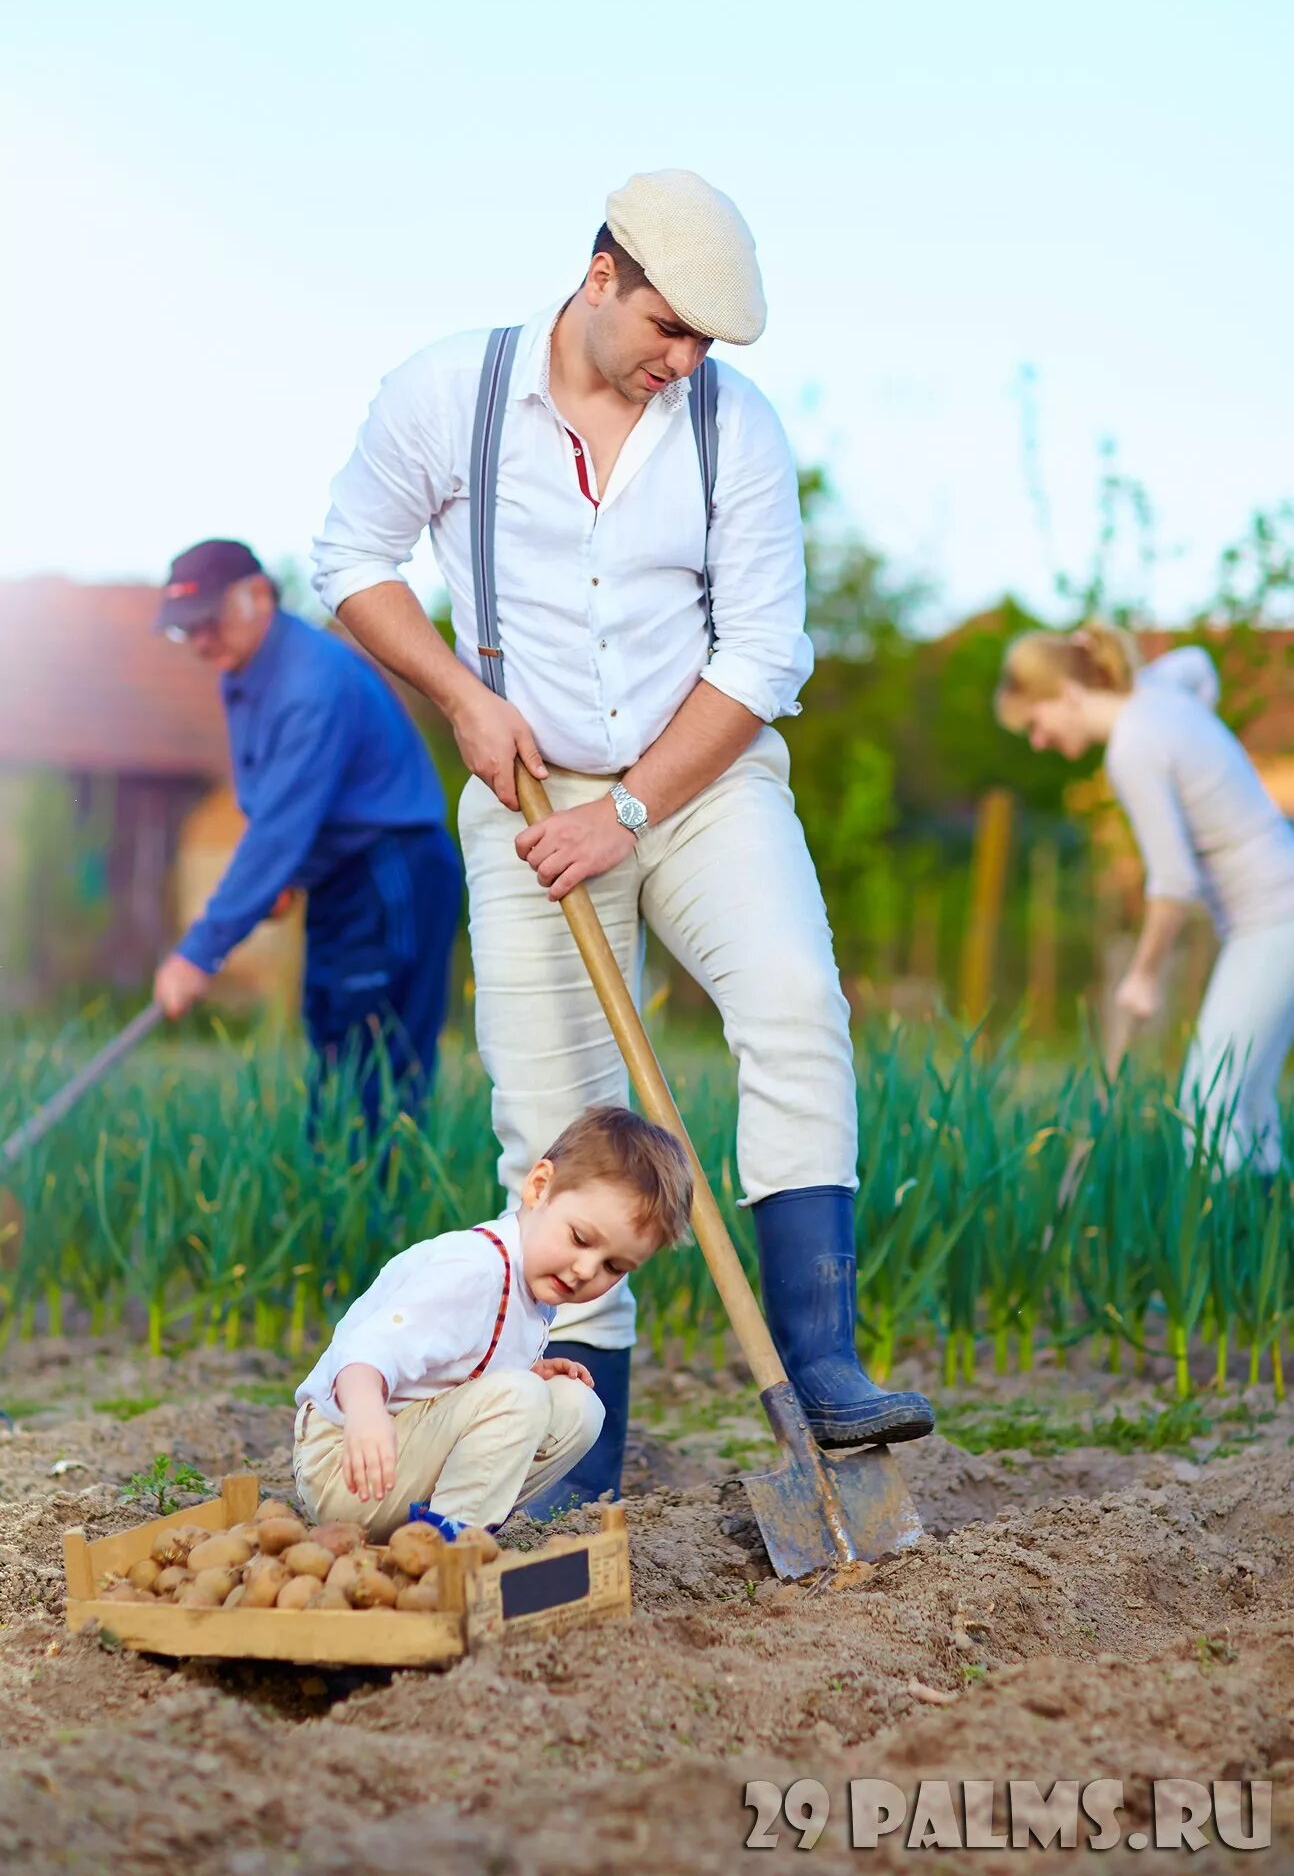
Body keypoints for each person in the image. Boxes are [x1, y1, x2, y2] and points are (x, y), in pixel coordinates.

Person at [311, 168, 936, 1509]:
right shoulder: (448, 394)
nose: (684, 360)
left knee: (789, 1002)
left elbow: (765, 651)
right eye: (669, 327)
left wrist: (633, 809)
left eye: (706, 343)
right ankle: (574, 1449)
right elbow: (349, 560)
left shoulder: (733, 428)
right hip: (532, 796)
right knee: (550, 1116)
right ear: (602, 277)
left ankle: (819, 1362)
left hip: (698, 785)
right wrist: (462, 700)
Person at [152, 538, 462, 1139]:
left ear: (259, 596)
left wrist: (199, 952)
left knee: (377, 1064)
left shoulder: (310, 684)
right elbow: (278, 804)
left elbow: (278, 828)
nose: (200, 642)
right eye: (185, 630)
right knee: (332, 1049)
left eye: (208, 621)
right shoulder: (241, 673)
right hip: (341, 877)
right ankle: (334, 1216)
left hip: (391, 872)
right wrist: (287, 878)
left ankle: (386, 1223)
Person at [292, 1106, 692, 1537]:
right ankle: (448, 1546)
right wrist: (366, 1413)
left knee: (578, 1407)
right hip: (346, 1463)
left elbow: (448, 1372)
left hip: (399, 1461)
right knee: (522, 1395)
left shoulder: (534, 1283)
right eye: (580, 1238)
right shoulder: (473, 1269)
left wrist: (523, 1370)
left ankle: (444, 1529)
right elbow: (365, 1351)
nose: (584, 1270)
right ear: (539, 1188)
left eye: (613, 1266)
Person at [996, 624, 1294, 1172]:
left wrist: (1144, 974)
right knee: (1247, 1105)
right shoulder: (1159, 691)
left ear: (1067, 694)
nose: (1039, 740)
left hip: (1273, 918)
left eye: (1036, 724)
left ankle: (1216, 1250)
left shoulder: (1132, 747)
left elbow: (1173, 881)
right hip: (1280, 907)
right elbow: (1199, 664)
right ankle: (1266, 1244)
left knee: (1209, 1106)